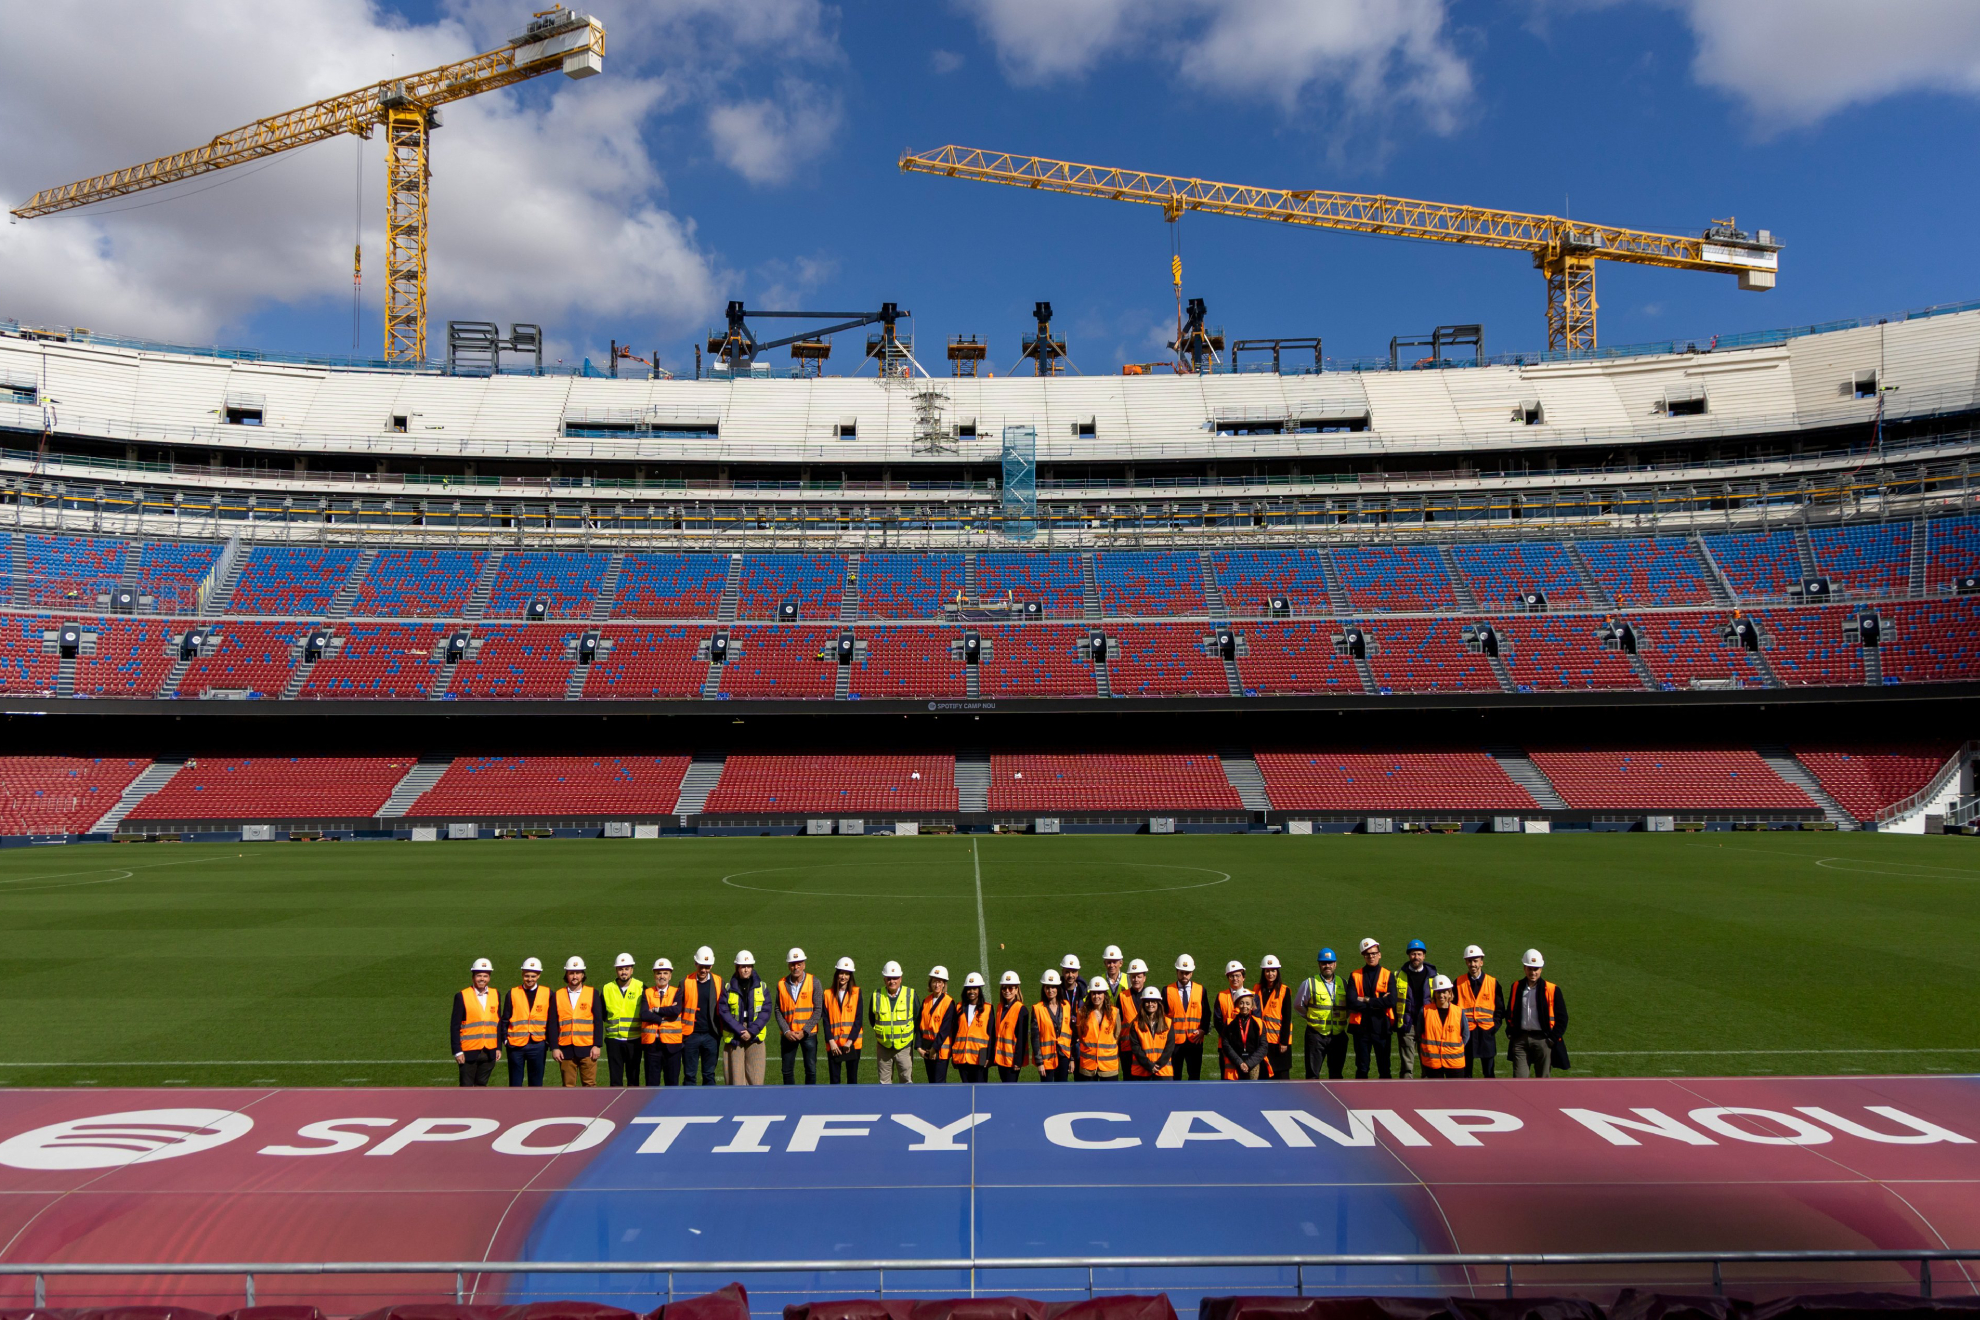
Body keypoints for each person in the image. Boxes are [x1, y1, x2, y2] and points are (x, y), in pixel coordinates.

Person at [1506, 948, 1567, 1078]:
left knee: (1543, 1081)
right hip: (1520, 1039)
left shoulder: (1552, 989)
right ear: (1524, 968)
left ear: (1541, 969)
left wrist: (1551, 1039)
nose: (1533, 972)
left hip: (1543, 1040)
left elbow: (1562, 1018)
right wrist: (1511, 1032)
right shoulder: (1516, 986)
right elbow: (1510, 1012)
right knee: (1519, 1079)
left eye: (1536, 969)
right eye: (1530, 968)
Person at [1346, 938, 1397, 1080]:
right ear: (1363, 956)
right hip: (1361, 1029)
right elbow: (1351, 1001)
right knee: (1362, 1067)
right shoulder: (1355, 975)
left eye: (1374, 953)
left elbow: (1391, 1001)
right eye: (1367, 954)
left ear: (1379, 954)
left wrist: (1365, 999)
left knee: (1385, 1067)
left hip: (1382, 1027)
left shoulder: (1388, 975)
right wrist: (1380, 1002)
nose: (1371, 956)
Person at [548, 956, 603, 1087]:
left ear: (583, 975)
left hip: (588, 1049)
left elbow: (598, 1021)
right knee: (568, 1087)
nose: (574, 976)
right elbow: (552, 1024)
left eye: (577, 973)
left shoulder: (592, 993)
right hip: (565, 1049)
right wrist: (555, 1047)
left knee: (590, 1085)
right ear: (566, 975)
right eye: (571, 973)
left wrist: (597, 1045)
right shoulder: (557, 995)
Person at [719, 950, 772, 1086]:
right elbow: (724, 1011)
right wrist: (740, 1030)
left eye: (748, 966)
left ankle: (754, 1106)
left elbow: (766, 1010)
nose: (746, 969)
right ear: (737, 967)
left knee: (756, 1078)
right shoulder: (728, 988)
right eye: (743, 966)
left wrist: (752, 1031)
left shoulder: (762, 987)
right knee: (735, 1079)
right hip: (735, 1035)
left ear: (752, 967)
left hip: (755, 1036)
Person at [1296, 948, 1350, 1080]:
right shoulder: (1310, 983)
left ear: (1335, 964)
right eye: (1324, 963)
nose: (1327, 966)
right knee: (1313, 1075)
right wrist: (1311, 1018)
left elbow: (1349, 1006)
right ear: (1319, 964)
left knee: (1336, 1075)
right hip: (1316, 1035)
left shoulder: (1343, 983)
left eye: (1330, 963)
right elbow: (1298, 1005)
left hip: (1338, 1036)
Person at [1455, 944, 1505, 1079]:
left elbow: (1500, 1009)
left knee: (1489, 1074)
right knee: (1466, 1074)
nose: (1473, 964)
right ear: (1466, 962)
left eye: (1475, 961)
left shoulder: (1493, 983)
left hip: (1486, 1034)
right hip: (1467, 1035)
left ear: (1481, 962)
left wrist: (1494, 1027)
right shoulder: (1458, 982)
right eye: (1470, 961)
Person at [776, 947, 823, 1086]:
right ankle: (790, 1101)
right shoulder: (781, 984)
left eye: (799, 963)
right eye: (792, 964)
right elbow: (778, 1010)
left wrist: (805, 1031)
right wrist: (786, 1031)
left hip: (808, 1035)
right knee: (787, 1071)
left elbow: (818, 1009)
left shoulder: (814, 982)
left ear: (804, 964)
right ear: (788, 965)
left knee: (810, 1070)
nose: (796, 967)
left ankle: (809, 1102)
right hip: (789, 1035)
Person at [452, 957, 501, 1087]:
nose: (482, 979)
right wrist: (457, 1051)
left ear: (489, 977)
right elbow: (455, 1026)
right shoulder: (462, 996)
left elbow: (498, 1023)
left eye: (485, 976)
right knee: (466, 1087)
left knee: (482, 1087)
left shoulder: (496, 994)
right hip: (468, 1051)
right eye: (479, 975)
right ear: (473, 977)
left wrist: (498, 1048)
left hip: (489, 1051)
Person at [502, 956, 549, 1088]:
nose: (530, 979)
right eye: (527, 975)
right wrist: (505, 1039)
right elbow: (505, 1018)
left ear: (539, 975)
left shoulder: (548, 993)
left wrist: (547, 1041)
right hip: (516, 1045)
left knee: (536, 1083)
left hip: (538, 1044)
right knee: (515, 1083)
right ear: (522, 974)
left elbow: (551, 1020)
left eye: (533, 976)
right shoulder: (512, 993)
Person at [1395, 940, 1439, 1080]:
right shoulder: (1398, 976)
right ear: (1409, 955)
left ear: (1424, 956)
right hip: (1407, 1025)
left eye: (1419, 954)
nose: (1416, 957)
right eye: (1413, 954)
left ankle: (1426, 1094)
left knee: (1427, 1063)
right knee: (1407, 1066)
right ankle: (1406, 1094)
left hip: (1427, 1025)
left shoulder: (1435, 977)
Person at [679, 946, 723, 1087]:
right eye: (701, 966)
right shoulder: (685, 982)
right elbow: (678, 1010)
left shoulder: (718, 981)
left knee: (709, 1075)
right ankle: (689, 1106)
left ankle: (709, 1106)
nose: (704, 970)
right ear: (695, 964)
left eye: (707, 966)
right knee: (689, 1075)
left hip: (711, 1035)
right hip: (690, 1035)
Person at [638, 957, 685, 1086]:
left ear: (670, 976)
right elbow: (644, 1014)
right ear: (654, 975)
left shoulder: (677, 992)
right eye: (659, 973)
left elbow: (675, 1010)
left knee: (672, 1083)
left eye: (665, 973)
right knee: (652, 1084)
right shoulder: (647, 993)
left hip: (672, 1045)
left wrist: (656, 1010)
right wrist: (661, 1018)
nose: (662, 976)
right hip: (652, 1045)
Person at [870, 960, 917, 1084]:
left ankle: (906, 1104)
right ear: (884, 979)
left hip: (904, 1048)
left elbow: (917, 1018)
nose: (892, 981)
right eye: (889, 978)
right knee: (884, 1083)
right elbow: (872, 1019)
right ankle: (887, 1104)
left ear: (901, 978)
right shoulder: (876, 995)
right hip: (884, 1047)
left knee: (906, 1081)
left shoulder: (910, 994)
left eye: (895, 978)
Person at [602, 953, 644, 1087]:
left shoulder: (641, 988)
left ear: (632, 970)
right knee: (615, 1080)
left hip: (635, 1040)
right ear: (616, 970)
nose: (623, 972)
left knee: (633, 1078)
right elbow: (602, 1014)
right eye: (621, 969)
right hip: (614, 1040)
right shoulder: (607, 988)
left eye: (626, 968)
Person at [1166, 954, 1207, 1080]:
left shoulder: (1201, 990)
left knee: (1194, 1077)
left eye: (1187, 973)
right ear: (1177, 971)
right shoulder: (1167, 990)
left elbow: (1206, 1013)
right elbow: (1162, 1016)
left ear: (1192, 973)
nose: (1184, 976)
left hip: (1195, 1041)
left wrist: (1203, 1030)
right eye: (1182, 972)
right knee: (1174, 1077)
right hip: (1174, 1043)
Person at [824, 957, 863, 1084]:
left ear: (851, 976)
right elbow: (825, 1020)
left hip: (852, 1044)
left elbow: (858, 1019)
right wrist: (832, 1042)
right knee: (834, 1081)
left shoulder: (857, 993)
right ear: (837, 974)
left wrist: (850, 1041)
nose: (843, 977)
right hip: (834, 1045)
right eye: (841, 973)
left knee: (852, 1079)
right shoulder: (827, 994)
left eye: (847, 974)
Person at [1420, 975, 1468, 1078]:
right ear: (1434, 993)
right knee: (1434, 1093)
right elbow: (1419, 1034)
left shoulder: (1458, 1012)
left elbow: (1465, 1035)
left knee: (1456, 1093)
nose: (1441, 995)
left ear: (1450, 993)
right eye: (1438, 992)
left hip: (1455, 1062)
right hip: (1432, 1063)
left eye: (1444, 992)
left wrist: (1455, 1050)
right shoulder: (1425, 1011)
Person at [950, 973, 992, 1083]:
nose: (971, 991)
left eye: (974, 988)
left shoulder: (988, 1008)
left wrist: (988, 1056)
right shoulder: (959, 1007)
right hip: (962, 1055)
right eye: (969, 989)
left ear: (979, 990)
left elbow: (991, 1034)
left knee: (981, 1090)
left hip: (981, 1056)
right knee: (966, 1090)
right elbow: (954, 1032)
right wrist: (953, 1055)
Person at [1219, 987, 1269, 1080]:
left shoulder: (1259, 1023)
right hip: (1234, 1065)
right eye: (1241, 1003)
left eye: (1247, 1003)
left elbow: (1264, 1047)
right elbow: (1225, 1045)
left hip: (1254, 1065)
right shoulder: (1229, 1022)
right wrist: (1240, 1063)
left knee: (1253, 1093)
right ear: (1237, 1004)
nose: (1244, 1006)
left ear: (1252, 1006)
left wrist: (1249, 1063)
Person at [917, 965, 957, 1083]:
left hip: (940, 1051)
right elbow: (919, 1025)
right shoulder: (926, 1001)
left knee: (939, 1084)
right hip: (926, 1050)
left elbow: (945, 1030)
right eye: (934, 981)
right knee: (931, 1083)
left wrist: (934, 1050)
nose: (937, 985)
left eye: (940, 982)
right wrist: (919, 1048)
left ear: (944, 984)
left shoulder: (949, 1002)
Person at [1255, 955, 1292, 1079]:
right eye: (1267, 971)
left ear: (1277, 972)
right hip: (1263, 1042)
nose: (1270, 974)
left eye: (1273, 970)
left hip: (1279, 1043)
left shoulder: (1284, 991)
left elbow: (1287, 1018)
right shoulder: (1257, 990)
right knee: (1264, 1077)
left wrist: (1284, 1042)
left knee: (1281, 1079)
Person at [1075, 978, 1120, 1080]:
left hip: (1109, 1067)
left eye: (1099, 993)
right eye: (1094, 993)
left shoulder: (1114, 1012)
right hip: (1088, 1066)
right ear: (1090, 995)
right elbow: (1081, 1035)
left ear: (1105, 994)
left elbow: (1117, 1036)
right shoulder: (1081, 1013)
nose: (1096, 996)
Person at [1031, 969, 1072, 1082]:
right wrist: (1039, 1062)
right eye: (1047, 987)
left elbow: (1070, 1032)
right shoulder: (1037, 1008)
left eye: (1053, 987)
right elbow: (1035, 1038)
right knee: (1047, 1092)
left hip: (1064, 1055)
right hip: (1046, 1058)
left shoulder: (1066, 1006)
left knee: (1062, 1089)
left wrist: (1071, 1058)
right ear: (1043, 988)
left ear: (1058, 988)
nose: (1050, 990)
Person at [1126, 987, 1175, 1079]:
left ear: (1158, 1004)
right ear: (1143, 1004)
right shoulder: (1136, 1024)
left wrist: (1158, 1065)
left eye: (1153, 1002)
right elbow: (1136, 1048)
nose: (1150, 1004)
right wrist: (1149, 1066)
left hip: (1163, 1071)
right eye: (1147, 1002)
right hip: (1141, 1072)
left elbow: (1169, 1047)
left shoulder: (1168, 1022)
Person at [992, 971, 1029, 1082]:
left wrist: (1018, 1061)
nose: (1007, 991)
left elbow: (1022, 1037)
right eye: (1004, 988)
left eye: (1010, 988)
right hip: (1001, 1058)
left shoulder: (1021, 1009)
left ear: (1017, 989)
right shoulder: (1000, 1007)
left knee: (1010, 1090)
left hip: (1012, 1060)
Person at [1212, 959, 1250, 1037]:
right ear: (1228, 978)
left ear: (1243, 977)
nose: (1235, 978)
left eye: (1238, 975)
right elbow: (1217, 1021)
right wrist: (1228, 1036)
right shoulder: (1221, 996)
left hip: (1247, 1043)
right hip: (1226, 1043)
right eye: (1231, 976)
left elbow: (1256, 1020)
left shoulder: (1252, 996)